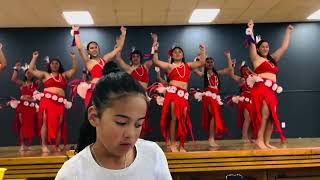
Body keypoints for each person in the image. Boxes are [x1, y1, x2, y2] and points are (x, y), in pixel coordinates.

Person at [55, 64, 172, 180]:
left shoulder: (153, 155)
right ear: (94, 117)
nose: (131, 134)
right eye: (121, 122)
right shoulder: (72, 173)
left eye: (138, 124)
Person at [152, 33, 206, 152]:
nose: (177, 53)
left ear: (183, 55)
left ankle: (181, 145)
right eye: (175, 51)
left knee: (183, 118)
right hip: (173, 94)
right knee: (174, 118)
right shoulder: (169, 66)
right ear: (171, 54)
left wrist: (202, 50)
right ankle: (172, 143)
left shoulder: (188, 66)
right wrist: (155, 47)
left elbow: (202, 62)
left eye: (179, 51)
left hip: (183, 95)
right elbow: (155, 62)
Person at [246, 19, 294, 149]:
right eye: (262, 46)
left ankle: (267, 141)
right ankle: (259, 139)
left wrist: (288, 32)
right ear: (258, 48)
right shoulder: (256, 58)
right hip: (261, 89)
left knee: (272, 116)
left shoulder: (272, 59)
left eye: (267, 46)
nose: (265, 48)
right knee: (265, 114)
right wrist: (250, 28)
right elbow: (250, 44)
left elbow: (283, 48)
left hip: (271, 91)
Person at [29, 51, 78, 152]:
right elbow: (31, 69)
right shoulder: (45, 74)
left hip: (59, 103)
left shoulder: (63, 75)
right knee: (45, 122)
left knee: (59, 124)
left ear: (59, 65)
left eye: (56, 63)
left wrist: (73, 58)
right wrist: (34, 58)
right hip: (47, 101)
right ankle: (44, 145)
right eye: (52, 63)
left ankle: (56, 146)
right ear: (49, 65)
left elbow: (74, 69)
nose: (54, 65)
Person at [71, 25, 126, 108]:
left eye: (95, 47)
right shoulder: (88, 62)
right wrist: (76, 32)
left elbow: (118, 49)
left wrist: (123, 34)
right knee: (93, 112)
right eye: (91, 48)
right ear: (88, 51)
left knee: (105, 113)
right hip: (94, 89)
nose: (94, 49)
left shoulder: (105, 58)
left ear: (98, 48)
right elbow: (79, 48)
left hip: (105, 89)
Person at [192, 50, 233, 147]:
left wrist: (228, 56)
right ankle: (211, 138)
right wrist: (197, 59)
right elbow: (194, 70)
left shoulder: (217, 73)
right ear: (205, 63)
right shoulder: (204, 74)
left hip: (215, 97)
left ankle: (212, 138)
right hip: (208, 97)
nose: (210, 63)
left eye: (211, 62)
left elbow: (229, 69)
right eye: (207, 62)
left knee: (215, 117)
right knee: (214, 116)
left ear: (213, 63)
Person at [10, 62, 41, 151]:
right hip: (23, 107)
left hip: (32, 108)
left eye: (31, 72)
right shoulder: (22, 83)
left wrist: (35, 70)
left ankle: (27, 144)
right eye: (27, 72)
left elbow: (42, 78)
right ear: (25, 74)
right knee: (23, 125)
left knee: (30, 125)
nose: (29, 74)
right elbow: (13, 79)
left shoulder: (36, 83)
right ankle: (22, 144)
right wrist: (16, 69)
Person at [229, 61, 256, 142]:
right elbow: (231, 75)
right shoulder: (241, 79)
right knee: (247, 119)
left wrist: (250, 70)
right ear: (241, 70)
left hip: (252, 99)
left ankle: (250, 137)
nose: (246, 70)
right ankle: (244, 137)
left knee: (252, 120)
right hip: (245, 99)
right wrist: (232, 65)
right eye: (244, 69)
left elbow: (258, 76)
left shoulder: (253, 78)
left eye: (247, 69)